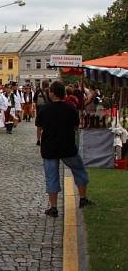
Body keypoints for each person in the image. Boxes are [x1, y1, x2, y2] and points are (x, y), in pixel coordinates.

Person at [35, 80, 93, 217]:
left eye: (50, 91)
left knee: (51, 177)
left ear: (53, 94)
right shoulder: (71, 108)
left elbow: (40, 127)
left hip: (49, 148)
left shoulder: (44, 109)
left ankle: (53, 208)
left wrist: (39, 140)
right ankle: (83, 198)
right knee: (79, 171)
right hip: (67, 147)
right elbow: (76, 126)